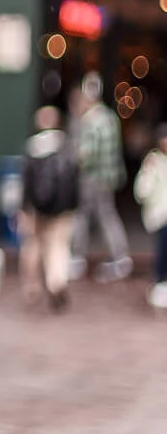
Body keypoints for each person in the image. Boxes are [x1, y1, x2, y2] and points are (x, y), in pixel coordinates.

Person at [69, 72, 132, 283]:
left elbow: (86, 154)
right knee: (107, 214)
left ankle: (78, 258)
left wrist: (73, 160)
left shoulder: (90, 120)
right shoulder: (110, 117)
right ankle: (120, 256)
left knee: (84, 215)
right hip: (109, 177)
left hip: (92, 178)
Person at [19, 105, 79, 311]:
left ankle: (32, 287)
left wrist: (25, 207)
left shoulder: (32, 147)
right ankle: (56, 281)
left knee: (34, 244)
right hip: (62, 209)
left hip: (38, 209)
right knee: (58, 245)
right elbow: (73, 180)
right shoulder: (66, 145)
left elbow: (25, 181)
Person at [134, 124, 167, 309]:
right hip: (161, 215)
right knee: (162, 248)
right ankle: (160, 281)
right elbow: (141, 191)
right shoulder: (153, 162)